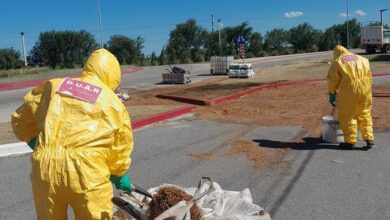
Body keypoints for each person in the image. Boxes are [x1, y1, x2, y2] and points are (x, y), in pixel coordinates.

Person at [11, 49, 134, 219]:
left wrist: (36, 143)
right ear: (113, 76)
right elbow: (120, 145)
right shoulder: (112, 101)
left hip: (45, 169)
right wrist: (119, 174)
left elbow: (20, 119)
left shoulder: (55, 86)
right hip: (88, 174)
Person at [327, 45, 375, 149]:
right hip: (366, 88)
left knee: (347, 115)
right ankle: (369, 138)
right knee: (365, 113)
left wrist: (332, 93)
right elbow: (369, 75)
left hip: (350, 90)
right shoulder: (363, 59)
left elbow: (332, 79)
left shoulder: (338, 61)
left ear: (336, 54)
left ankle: (350, 141)